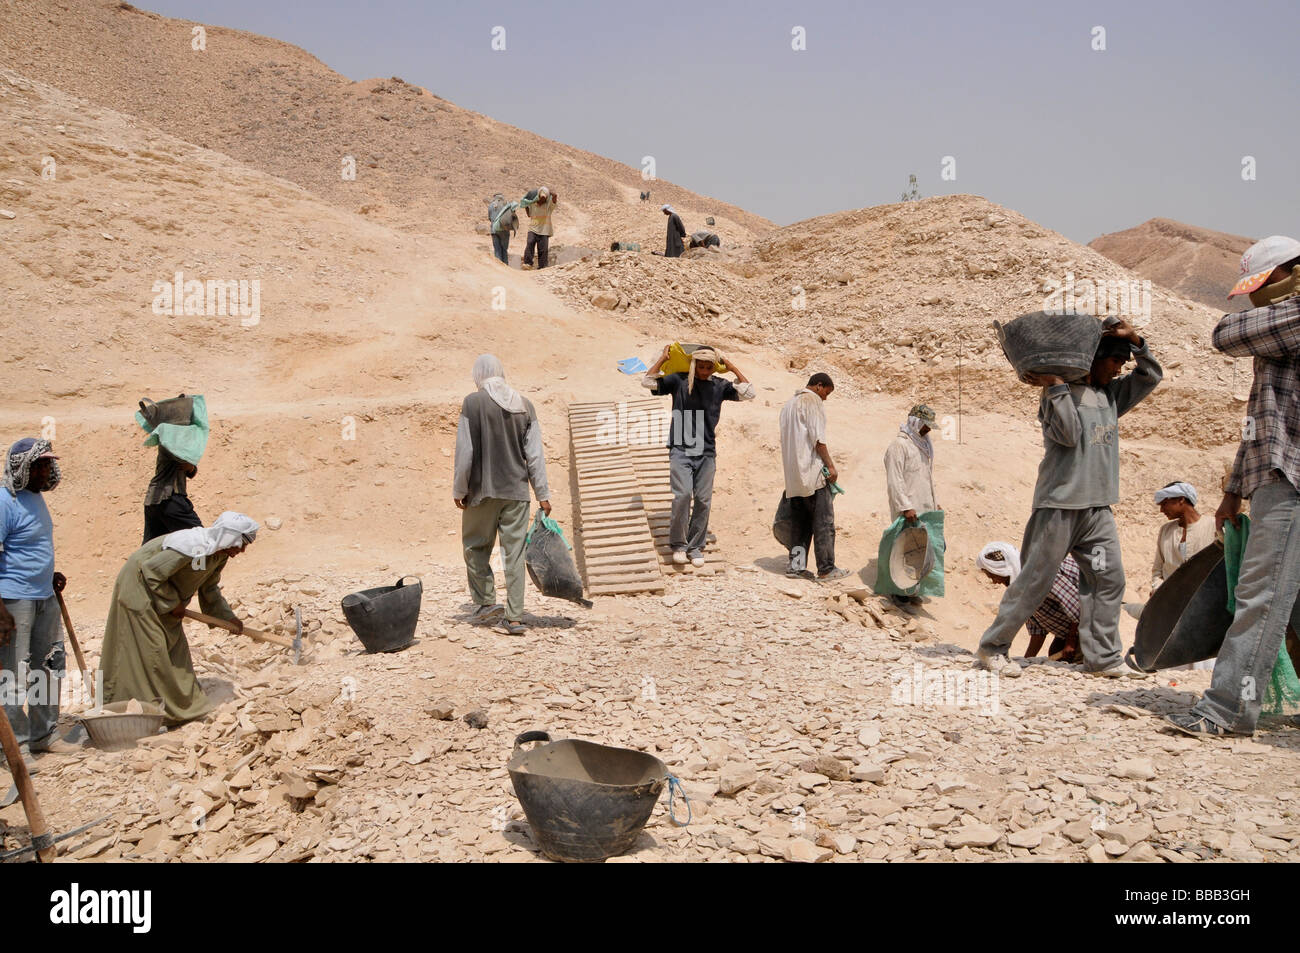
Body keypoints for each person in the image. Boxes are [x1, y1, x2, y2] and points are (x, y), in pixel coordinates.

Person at [975, 317, 1162, 678]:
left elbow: (1150, 376)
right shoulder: (1054, 396)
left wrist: (1136, 341)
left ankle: (1103, 659)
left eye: (1123, 362)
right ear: (1093, 360)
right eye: (1115, 361)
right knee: (1035, 579)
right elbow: (1069, 435)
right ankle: (992, 648)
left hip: (1097, 508)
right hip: (1059, 505)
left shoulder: (1110, 395)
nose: (1120, 368)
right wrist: (1057, 387)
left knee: (1108, 580)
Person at [1167, 235, 1300, 737]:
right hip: (1277, 472)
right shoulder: (1281, 332)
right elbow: (1261, 421)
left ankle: (1226, 711)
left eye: (1262, 286)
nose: (1253, 299)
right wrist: (1232, 490)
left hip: (1292, 479)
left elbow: (1225, 335)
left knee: (1261, 596)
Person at [101, 511, 258, 725]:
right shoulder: (194, 547)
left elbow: (209, 587)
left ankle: (182, 710)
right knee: (152, 650)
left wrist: (226, 618)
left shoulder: (218, 554)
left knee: (174, 649)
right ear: (229, 538)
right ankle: (140, 713)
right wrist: (172, 602)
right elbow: (151, 571)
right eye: (241, 544)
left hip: (163, 594)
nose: (241, 550)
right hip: (140, 589)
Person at [453, 355, 551, 635]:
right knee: (514, 554)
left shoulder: (473, 403)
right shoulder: (525, 405)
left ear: (479, 374)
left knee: (475, 547)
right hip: (517, 494)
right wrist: (542, 494)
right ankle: (515, 617)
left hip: (481, 493)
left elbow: (465, 452)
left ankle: (485, 603)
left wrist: (459, 489)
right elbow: (535, 456)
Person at [642, 344, 754, 566]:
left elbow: (749, 392)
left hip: (706, 451)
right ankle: (678, 545)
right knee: (682, 495)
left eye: (708, 367)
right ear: (694, 364)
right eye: (700, 366)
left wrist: (731, 367)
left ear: (713, 367)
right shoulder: (679, 381)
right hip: (681, 448)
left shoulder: (720, 386)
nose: (704, 371)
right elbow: (648, 382)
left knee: (703, 500)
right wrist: (663, 360)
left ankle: (695, 547)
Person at [0, 438, 76, 757]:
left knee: (48, 665)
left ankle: (44, 733)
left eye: (48, 463)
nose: (47, 470)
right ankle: (14, 749)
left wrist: (51, 574)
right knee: (13, 674)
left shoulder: (35, 497)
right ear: (23, 468)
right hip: (14, 600)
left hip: (44, 596)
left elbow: (30, 546)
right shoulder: (5, 500)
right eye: (41, 464)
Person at [778, 373, 848, 581]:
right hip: (812, 473)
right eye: (826, 393)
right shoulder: (812, 401)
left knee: (800, 523)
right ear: (819, 386)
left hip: (794, 477)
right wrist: (831, 467)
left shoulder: (789, 404)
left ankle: (796, 567)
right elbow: (818, 441)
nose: (825, 398)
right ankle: (826, 569)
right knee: (824, 522)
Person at [977, 543, 1082, 662]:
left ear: (1004, 570)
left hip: (1093, 624)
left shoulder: (1040, 572)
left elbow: (1078, 606)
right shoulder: (1021, 589)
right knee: (1055, 653)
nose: (994, 582)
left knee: (1080, 662)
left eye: (993, 576)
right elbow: (1038, 631)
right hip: (1072, 631)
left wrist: (1071, 641)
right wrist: (1027, 661)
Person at [1150, 481, 1216, 590]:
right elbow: (1157, 571)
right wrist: (1158, 590)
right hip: (1170, 598)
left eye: (1164, 503)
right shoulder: (1165, 531)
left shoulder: (1213, 526)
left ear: (1181, 499)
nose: (1161, 510)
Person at [884, 404, 938, 523]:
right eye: (926, 425)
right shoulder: (899, 445)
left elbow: (924, 479)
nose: (928, 429)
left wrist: (934, 503)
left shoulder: (922, 446)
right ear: (915, 422)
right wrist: (905, 507)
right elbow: (894, 480)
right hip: (909, 514)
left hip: (926, 511)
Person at [143, 446, 201, 544]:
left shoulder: (171, 439)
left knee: (152, 548)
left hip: (155, 499)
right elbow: (182, 460)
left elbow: (189, 469)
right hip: (169, 497)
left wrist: (191, 467)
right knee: (200, 539)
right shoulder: (170, 439)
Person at [520, 187, 556, 270]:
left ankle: (542, 267)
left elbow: (555, 195)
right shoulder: (533, 204)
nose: (542, 200)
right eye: (541, 198)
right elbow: (528, 213)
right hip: (533, 228)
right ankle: (528, 264)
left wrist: (547, 190)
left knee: (543, 249)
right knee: (530, 243)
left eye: (544, 198)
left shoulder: (549, 206)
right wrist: (526, 205)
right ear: (538, 197)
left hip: (544, 230)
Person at [487, 192, 518, 265]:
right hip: (504, 230)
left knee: (497, 250)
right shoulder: (507, 204)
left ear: (494, 197)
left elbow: (489, 218)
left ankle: (498, 267)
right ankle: (505, 266)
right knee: (504, 249)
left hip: (494, 230)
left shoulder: (491, 205)